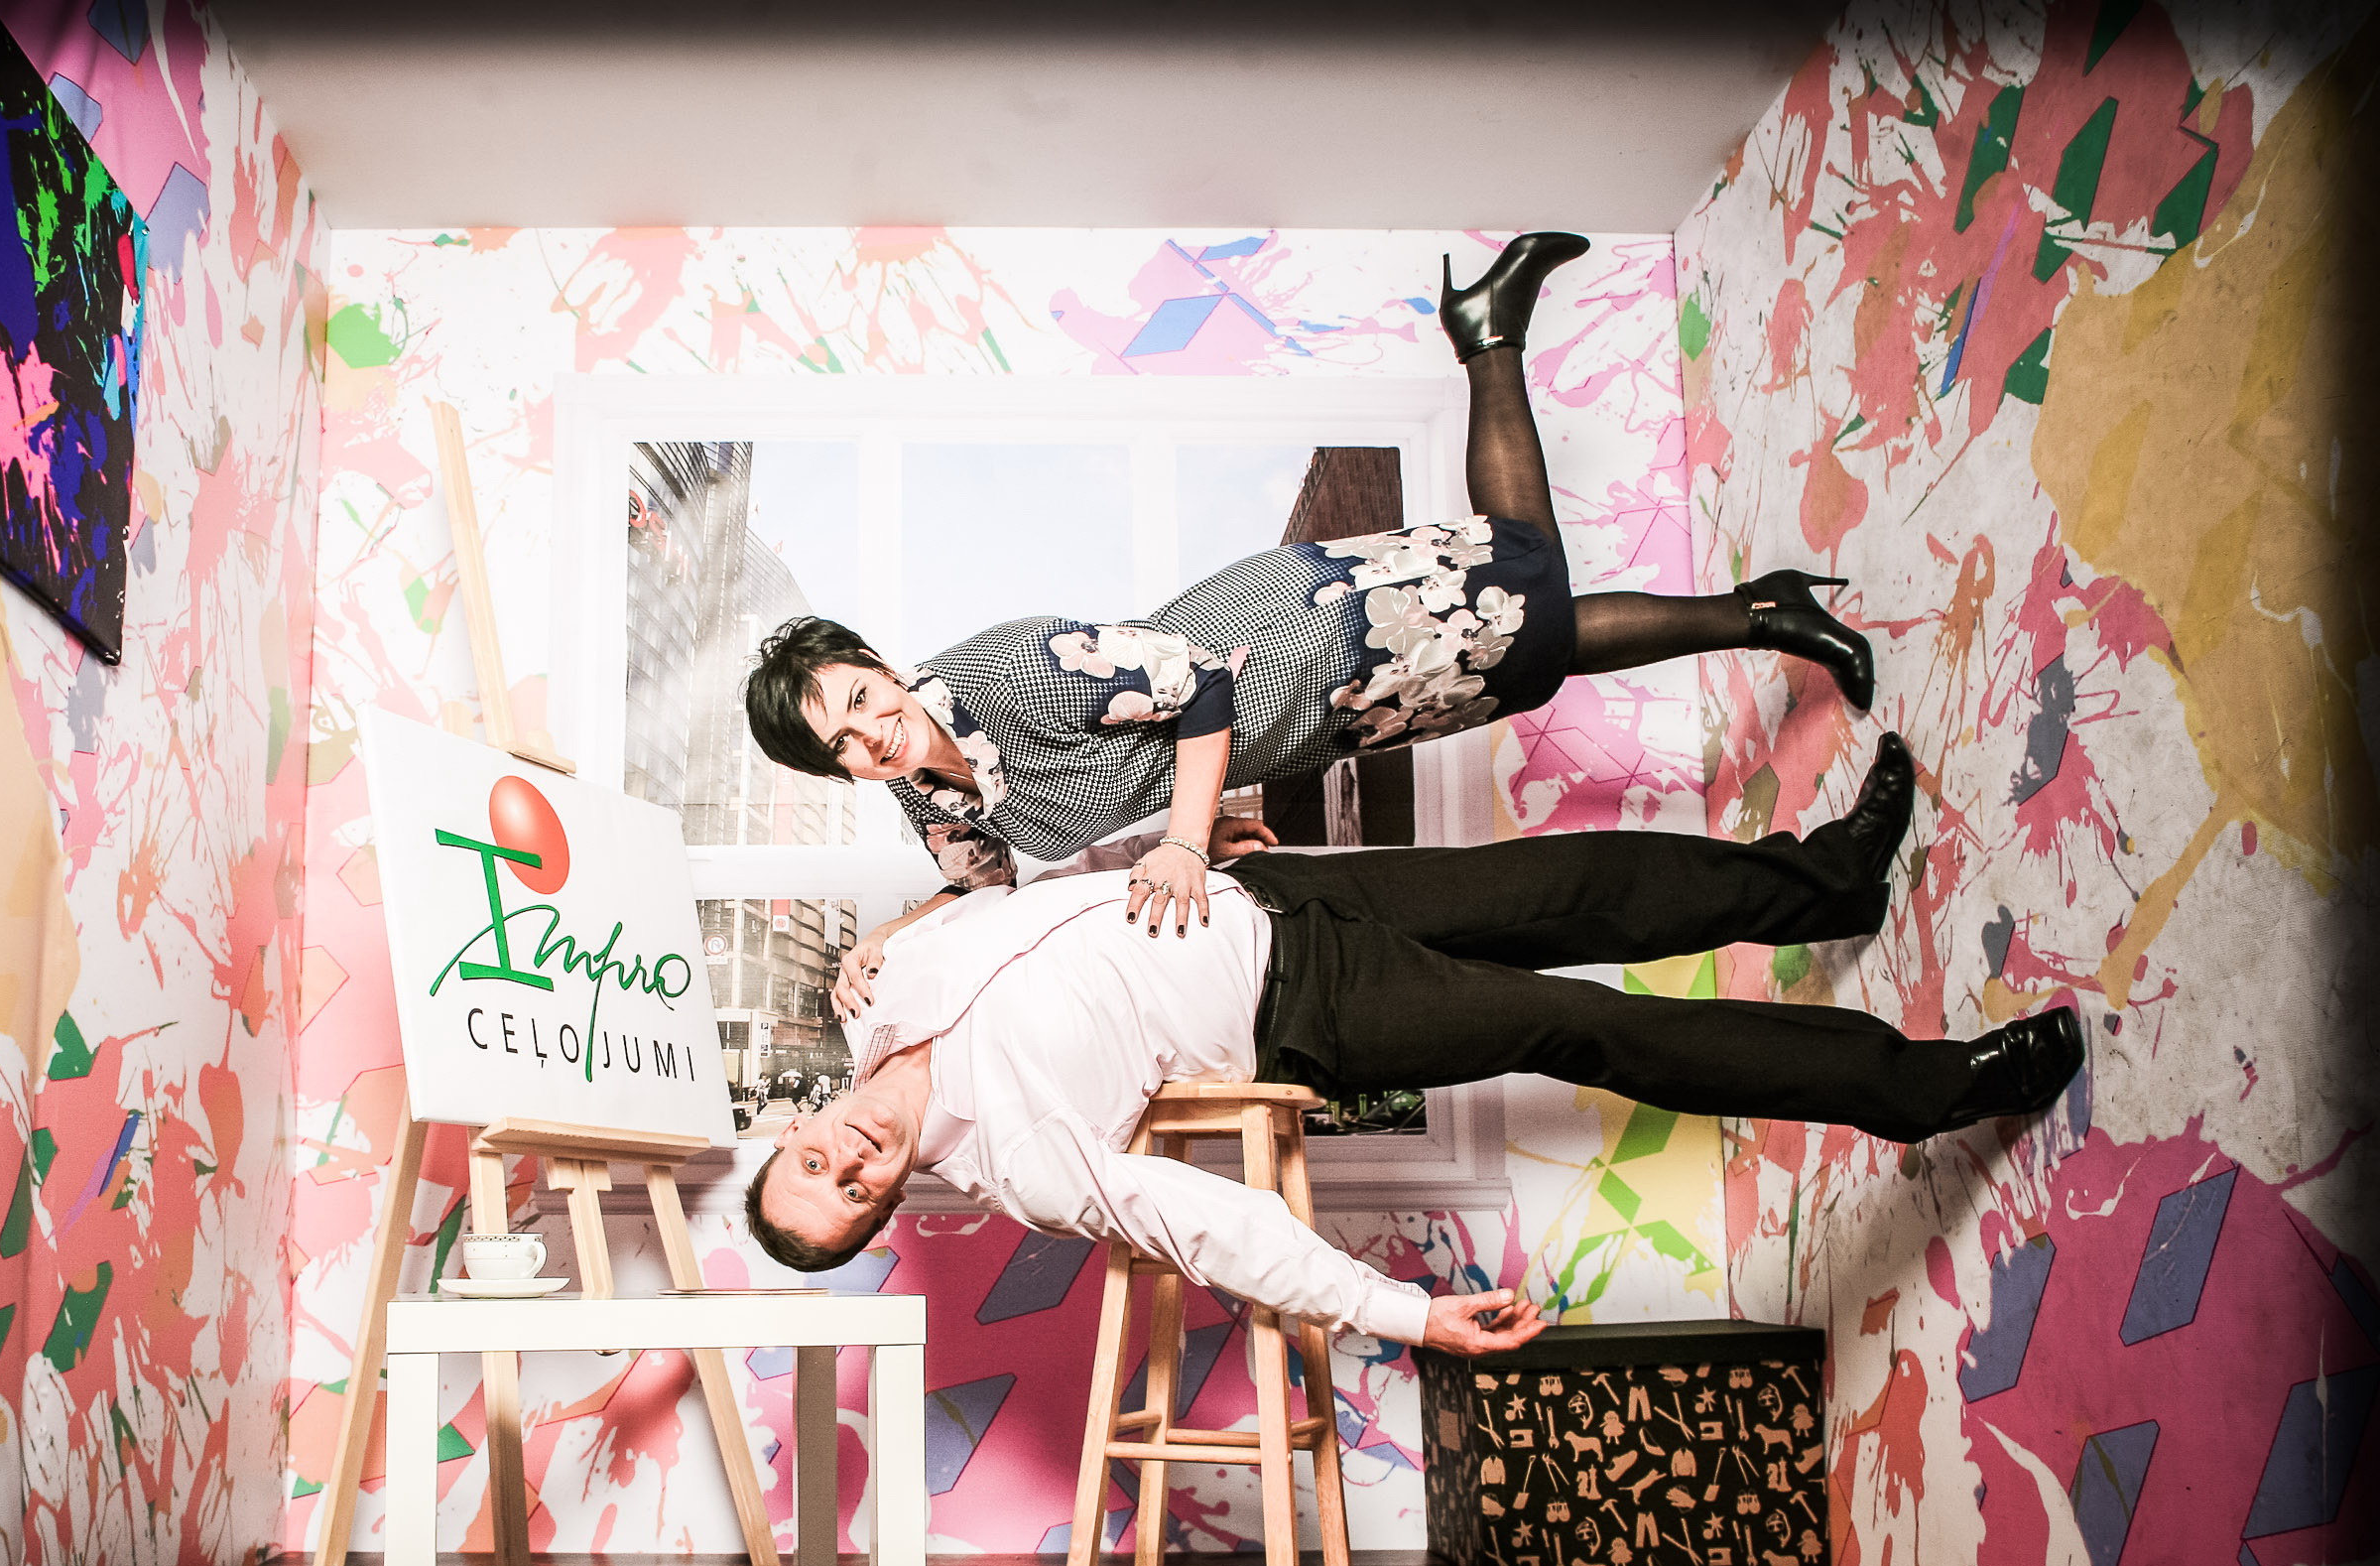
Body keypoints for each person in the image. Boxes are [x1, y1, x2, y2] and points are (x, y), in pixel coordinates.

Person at [743, 233, 1878, 1017]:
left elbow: (1200, 681)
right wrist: (890, 936)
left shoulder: (1007, 673)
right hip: (1311, 721)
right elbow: (986, 884)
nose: (869, 734)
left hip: (1298, 638)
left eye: (859, 698)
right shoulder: (924, 793)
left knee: (1524, 598)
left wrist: (1187, 839)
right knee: (1528, 648)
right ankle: (1756, 597)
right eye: (841, 745)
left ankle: (1498, 345)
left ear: (877, 663)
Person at [741, 734, 2086, 1349]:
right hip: (1309, 1007)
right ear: (886, 1208)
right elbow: (1215, 1229)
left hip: (1279, 888)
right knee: (1593, 1024)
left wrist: (1180, 840)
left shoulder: (882, 987)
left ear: (794, 1130)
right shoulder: (1026, 1166)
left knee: (1574, 880)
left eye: (813, 1165)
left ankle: (1826, 882)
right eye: (852, 1198)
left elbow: (1023, 896)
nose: (848, 1165)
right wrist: (1404, 1314)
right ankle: (1923, 1089)